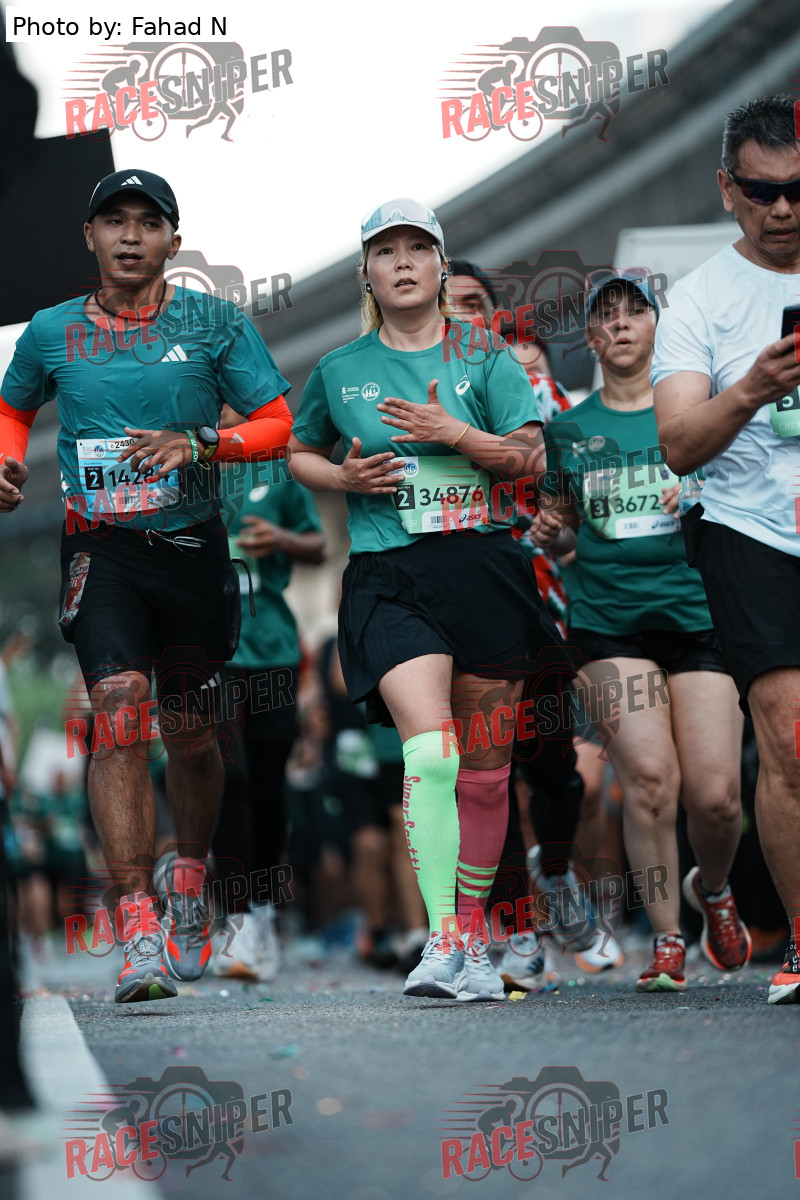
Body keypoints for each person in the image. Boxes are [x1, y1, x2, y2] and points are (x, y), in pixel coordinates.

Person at [0, 169, 293, 1003]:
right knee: (118, 706)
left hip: (192, 549)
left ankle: (189, 876)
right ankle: (135, 924)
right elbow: (12, 408)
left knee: (192, 734)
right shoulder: (51, 330)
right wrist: (8, 461)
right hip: (101, 551)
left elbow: (278, 423)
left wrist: (200, 443)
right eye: (113, 221)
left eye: (147, 222)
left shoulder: (216, 324)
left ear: (173, 238)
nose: (130, 236)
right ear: (89, 236)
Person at [287, 198, 565, 1000]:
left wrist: (455, 435)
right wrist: (341, 476)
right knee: (433, 753)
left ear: (442, 265)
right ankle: (445, 938)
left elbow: (530, 458)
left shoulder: (487, 355)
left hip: (483, 567)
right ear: (367, 273)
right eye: (386, 251)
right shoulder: (340, 369)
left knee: (485, 771)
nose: (403, 261)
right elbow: (300, 450)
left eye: (418, 247)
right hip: (390, 573)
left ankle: (472, 939)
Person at [544, 269, 751, 992]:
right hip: (609, 627)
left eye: (637, 311)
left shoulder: (699, 415)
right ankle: (668, 939)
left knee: (717, 797)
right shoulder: (568, 431)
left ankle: (713, 889)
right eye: (607, 315)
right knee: (651, 779)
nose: (622, 323)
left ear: (660, 327)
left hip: (700, 617)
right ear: (591, 337)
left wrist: (692, 490)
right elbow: (564, 532)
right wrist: (549, 532)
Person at [652, 94, 800, 1004]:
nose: (782, 209)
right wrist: (750, 389)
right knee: (789, 742)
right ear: (726, 190)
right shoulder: (699, 299)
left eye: (798, 191)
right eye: (762, 191)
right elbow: (677, 443)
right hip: (751, 532)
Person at [211, 404, 325, 982]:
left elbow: (319, 545)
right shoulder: (189, 466)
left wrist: (279, 537)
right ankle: (234, 919)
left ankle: (262, 909)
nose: (225, 402)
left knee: (267, 784)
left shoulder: (279, 468)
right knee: (227, 779)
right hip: (211, 652)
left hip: (273, 648)